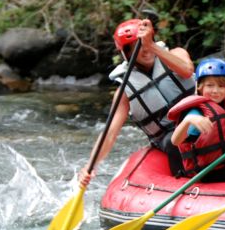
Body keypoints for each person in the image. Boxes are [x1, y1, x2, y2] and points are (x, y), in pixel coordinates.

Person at [79, 18, 196, 186]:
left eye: (146, 44)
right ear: (127, 54)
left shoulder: (176, 54)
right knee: (174, 142)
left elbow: (187, 70)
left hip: (200, 117)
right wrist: (90, 167)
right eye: (137, 48)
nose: (145, 50)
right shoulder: (124, 92)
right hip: (169, 137)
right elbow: (110, 133)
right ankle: (186, 183)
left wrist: (151, 45)